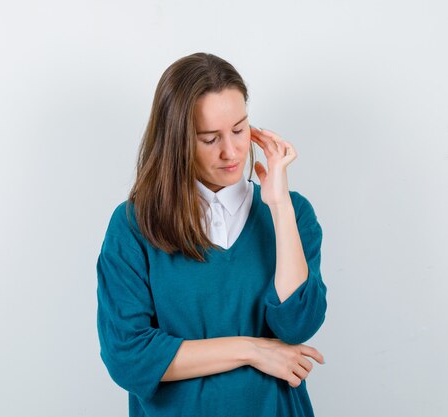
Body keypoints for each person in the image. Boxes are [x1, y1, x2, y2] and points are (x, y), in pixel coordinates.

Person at [96, 52, 327, 417]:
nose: (231, 151)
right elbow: (128, 356)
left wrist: (279, 206)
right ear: (177, 142)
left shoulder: (292, 213)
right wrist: (252, 349)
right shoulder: (135, 225)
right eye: (209, 138)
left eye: (239, 129)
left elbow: (297, 325)